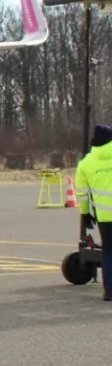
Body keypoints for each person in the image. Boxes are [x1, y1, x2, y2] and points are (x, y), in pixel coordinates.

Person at [74, 123, 112, 301]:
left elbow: (81, 193)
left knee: (108, 251)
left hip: (105, 216)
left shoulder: (85, 163)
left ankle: (109, 290)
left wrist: (85, 213)